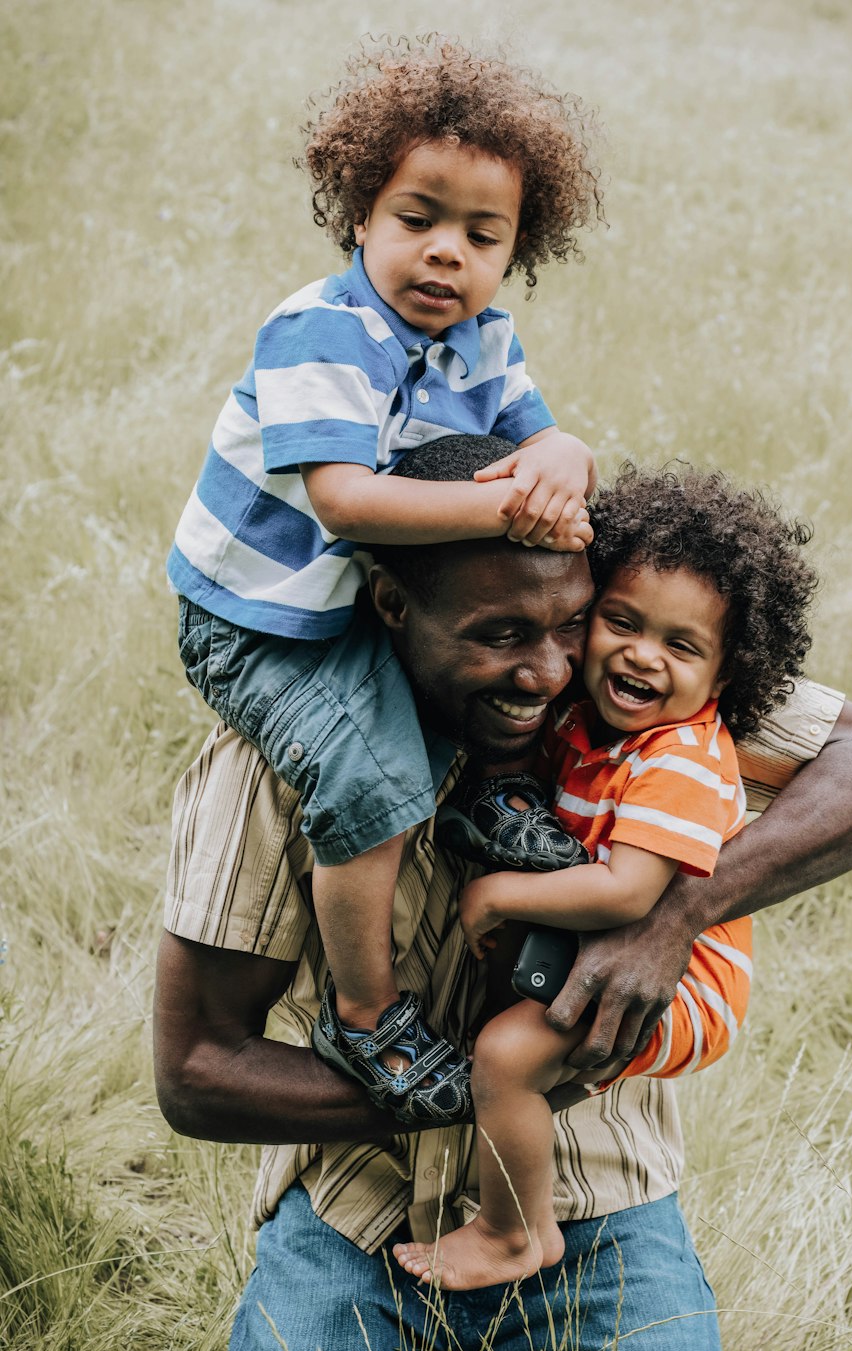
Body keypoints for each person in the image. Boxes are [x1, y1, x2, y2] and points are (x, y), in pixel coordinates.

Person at [154, 436, 852, 1351]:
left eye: (569, 622)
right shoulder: (280, 759)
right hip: (355, 1215)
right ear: (391, 609)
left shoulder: (628, 685)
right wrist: (483, 1090)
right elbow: (197, 1069)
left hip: (602, 1203)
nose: (544, 668)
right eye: (496, 635)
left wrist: (675, 914)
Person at [165, 36, 602, 1127]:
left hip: (358, 607)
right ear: (359, 215)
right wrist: (513, 500)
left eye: (480, 234)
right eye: (418, 219)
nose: (444, 254)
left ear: (514, 252)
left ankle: (485, 800)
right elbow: (348, 502)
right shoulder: (323, 328)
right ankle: (367, 1016)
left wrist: (566, 458)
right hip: (260, 622)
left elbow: (541, 441)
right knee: (367, 782)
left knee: (490, 662)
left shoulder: (483, 338)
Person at [392, 464, 817, 1290]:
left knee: (509, 1054)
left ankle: (515, 1233)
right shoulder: (596, 726)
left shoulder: (682, 757)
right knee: (512, 1038)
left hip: (687, 984)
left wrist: (497, 892)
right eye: (621, 622)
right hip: (615, 940)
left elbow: (628, 893)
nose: (642, 655)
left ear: (725, 677)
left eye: (681, 645)